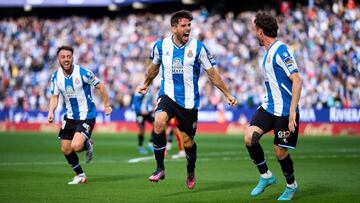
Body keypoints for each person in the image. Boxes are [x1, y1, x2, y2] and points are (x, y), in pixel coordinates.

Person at [137, 10, 237, 189]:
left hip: (189, 103)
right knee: (159, 122)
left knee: (188, 141)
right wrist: (145, 83)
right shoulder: (160, 46)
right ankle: (160, 168)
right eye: (184, 25)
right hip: (167, 95)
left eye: (189, 25)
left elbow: (212, 74)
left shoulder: (198, 48)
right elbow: (154, 68)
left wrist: (227, 94)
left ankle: (190, 170)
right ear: (174, 28)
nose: (188, 29)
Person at [244, 12, 302, 200]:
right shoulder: (268, 53)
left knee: (280, 151)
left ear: (260, 31)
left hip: (285, 111)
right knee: (249, 138)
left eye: (255, 31)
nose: (255, 34)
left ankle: (291, 185)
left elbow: (297, 80)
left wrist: (293, 110)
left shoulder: (281, 50)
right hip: (269, 107)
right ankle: (266, 176)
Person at [48, 45, 112, 184]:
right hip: (70, 117)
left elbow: (100, 86)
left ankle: (87, 144)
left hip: (86, 116)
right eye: (63, 57)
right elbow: (54, 97)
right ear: (58, 59)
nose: (66, 59)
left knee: (76, 146)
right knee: (65, 149)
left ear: (73, 57)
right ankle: (81, 175)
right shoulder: (55, 76)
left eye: (69, 57)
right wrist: (51, 111)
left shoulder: (83, 73)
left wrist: (106, 105)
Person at [132, 89, 155, 155]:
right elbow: (135, 102)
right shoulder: (140, 88)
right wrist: (140, 110)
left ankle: (150, 144)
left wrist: (151, 108)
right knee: (142, 129)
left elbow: (149, 101)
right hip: (140, 113)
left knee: (156, 124)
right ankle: (140, 146)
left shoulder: (150, 89)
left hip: (147, 112)